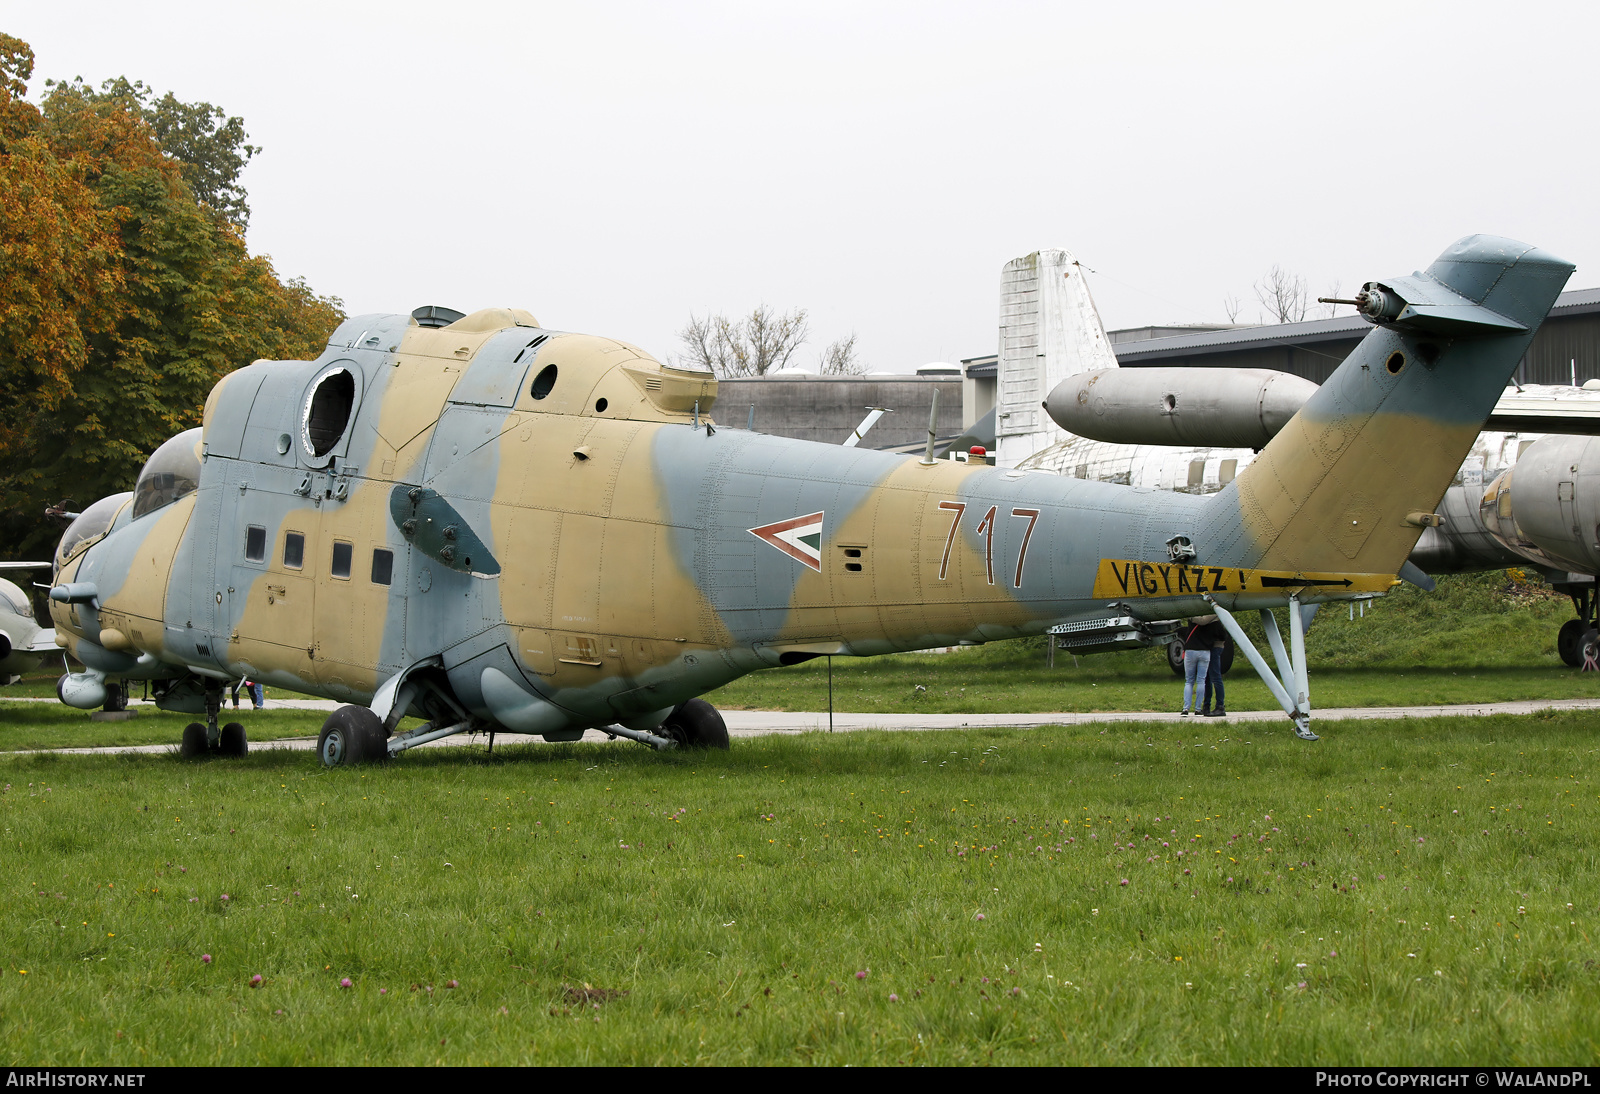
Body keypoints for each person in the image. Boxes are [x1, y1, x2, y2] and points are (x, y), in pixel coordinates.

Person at [1178, 616, 1217, 716]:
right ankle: (1198, 709)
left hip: (1191, 650)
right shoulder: (1210, 618)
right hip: (1205, 651)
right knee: (1201, 680)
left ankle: (1186, 708)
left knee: (1189, 681)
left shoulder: (1192, 617)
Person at [1201, 623, 1229, 717]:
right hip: (1211, 645)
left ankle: (1220, 706)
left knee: (1215, 676)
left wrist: (1191, 617)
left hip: (1215, 645)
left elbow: (1203, 620)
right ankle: (1206, 705)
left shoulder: (1213, 614)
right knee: (1208, 677)